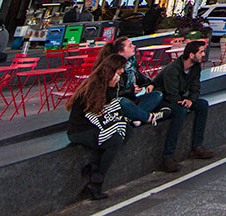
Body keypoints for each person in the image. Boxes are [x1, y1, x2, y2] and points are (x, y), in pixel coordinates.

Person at [66, 53, 129, 200]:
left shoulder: (107, 85)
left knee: (126, 130)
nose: (121, 72)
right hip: (82, 129)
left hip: (96, 126)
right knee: (115, 140)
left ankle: (94, 167)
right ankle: (96, 183)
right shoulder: (94, 87)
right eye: (120, 69)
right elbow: (95, 114)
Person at [157, 39, 214, 172]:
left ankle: (197, 147)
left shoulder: (195, 67)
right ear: (191, 55)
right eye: (201, 52)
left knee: (202, 105)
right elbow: (171, 94)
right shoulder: (173, 69)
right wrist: (183, 103)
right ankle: (168, 157)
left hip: (178, 97)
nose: (203, 55)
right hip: (164, 99)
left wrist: (191, 101)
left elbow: (195, 88)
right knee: (180, 111)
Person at [99, 37, 165, 126]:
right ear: (120, 52)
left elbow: (143, 79)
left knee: (157, 95)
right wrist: (130, 91)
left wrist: (150, 84)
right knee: (123, 102)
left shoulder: (131, 65)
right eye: (130, 46)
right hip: (120, 103)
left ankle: (134, 117)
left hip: (134, 100)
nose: (134, 46)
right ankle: (148, 117)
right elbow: (111, 95)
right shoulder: (113, 69)